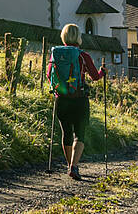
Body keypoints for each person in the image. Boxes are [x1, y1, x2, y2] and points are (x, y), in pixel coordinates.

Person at [47, 23, 105, 180]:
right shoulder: (82, 56)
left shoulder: (55, 55)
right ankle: (74, 166)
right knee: (80, 133)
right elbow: (94, 76)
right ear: (78, 37)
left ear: (63, 37)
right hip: (79, 99)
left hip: (61, 100)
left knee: (66, 133)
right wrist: (102, 72)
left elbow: (48, 75)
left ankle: (69, 165)